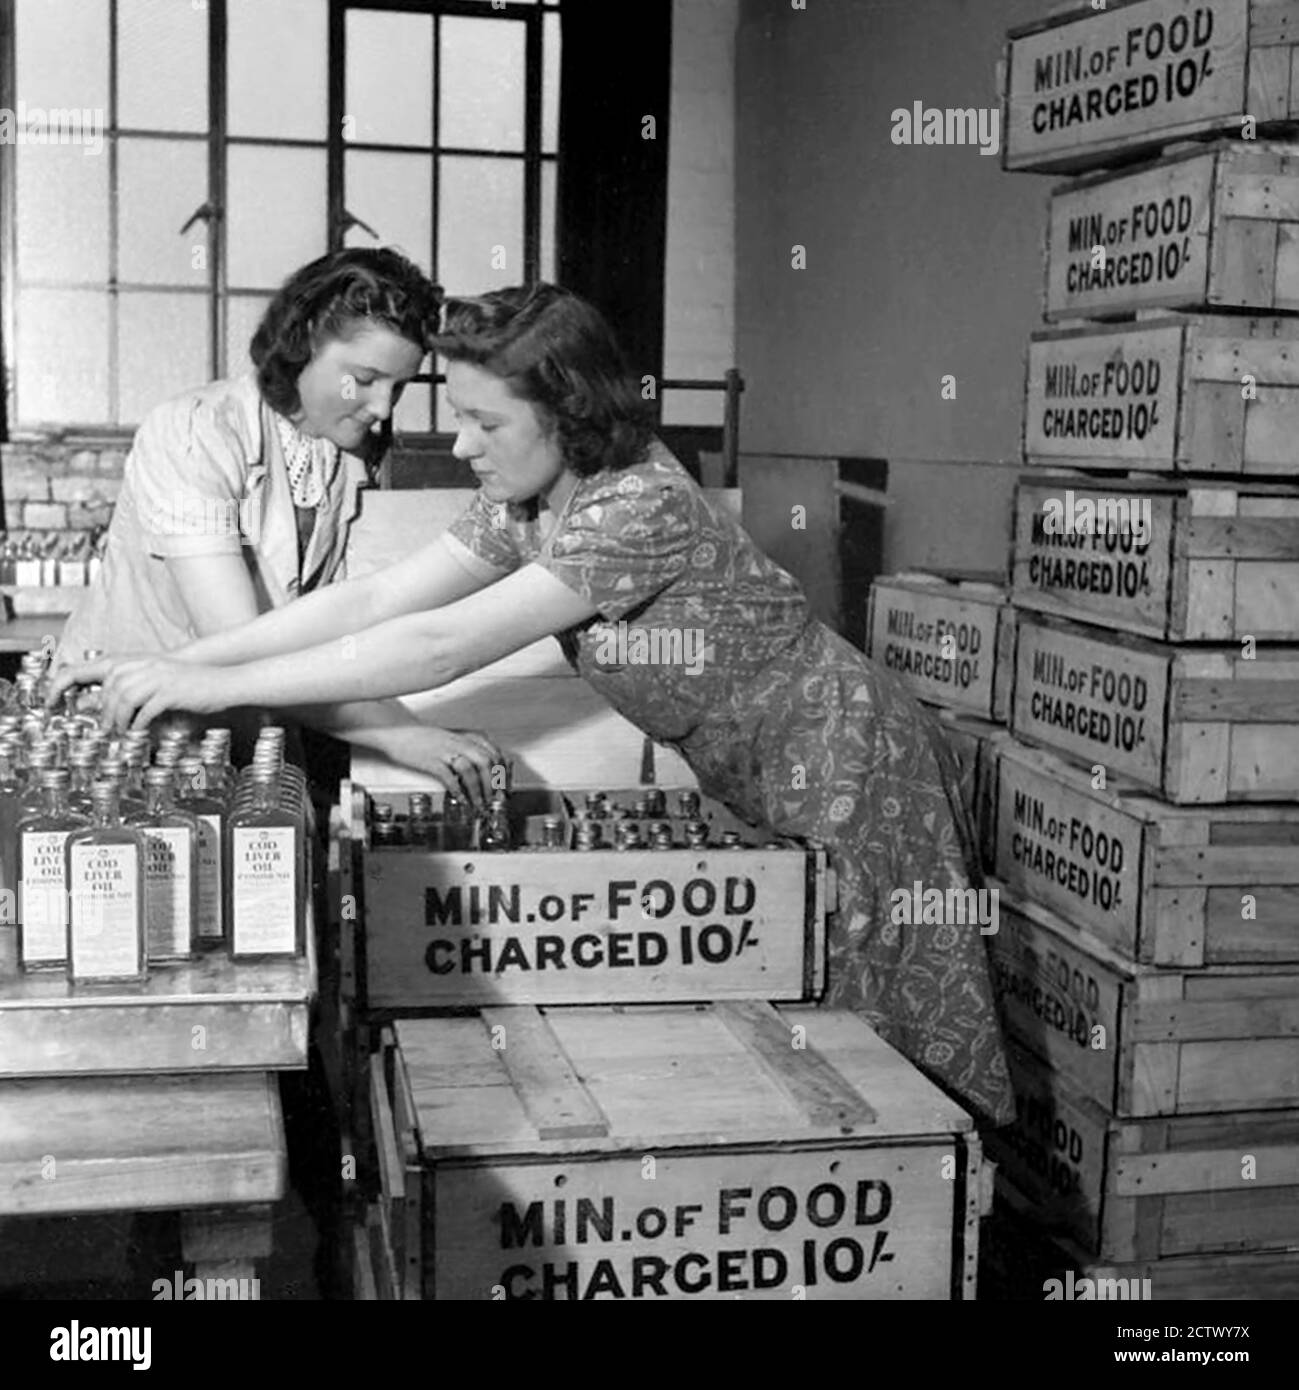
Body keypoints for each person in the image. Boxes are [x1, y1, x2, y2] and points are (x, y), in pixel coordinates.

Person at [53, 283, 1015, 1126]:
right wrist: (183, 664)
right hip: (755, 761)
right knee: (805, 1013)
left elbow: (437, 645)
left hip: (847, 752)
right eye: (456, 414)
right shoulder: (527, 499)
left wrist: (203, 685)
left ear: (565, 411)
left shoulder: (638, 505)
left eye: (486, 422)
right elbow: (373, 602)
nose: (457, 442)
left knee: (875, 1046)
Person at [55, 246, 501, 800]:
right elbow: (239, 643)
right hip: (125, 741)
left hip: (243, 735)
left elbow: (344, 626)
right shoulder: (194, 432)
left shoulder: (341, 456)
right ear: (306, 339)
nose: (384, 407)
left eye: (399, 386)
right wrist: (401, 734)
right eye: (363, 378)